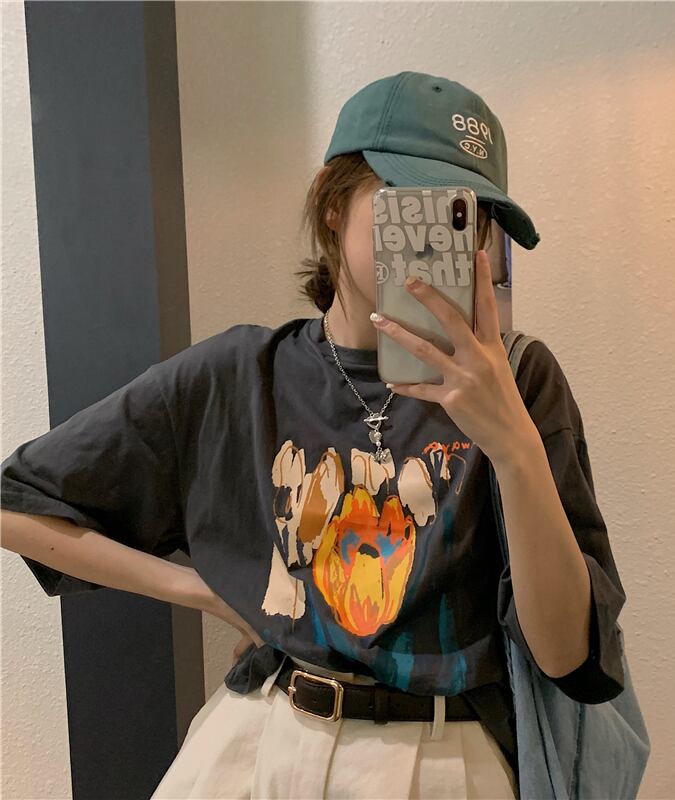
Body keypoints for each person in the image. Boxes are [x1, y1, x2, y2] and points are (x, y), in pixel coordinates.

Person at [0, 71, 627, 799]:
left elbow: (565, 655)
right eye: (412, 203)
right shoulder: (242, 373)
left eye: (467, 217)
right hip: (260, 739)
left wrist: (513, 447)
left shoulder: (519, 380)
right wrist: (206, 591)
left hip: (443, 755)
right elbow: (18, 502)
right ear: (333, 203)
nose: (441, 240)